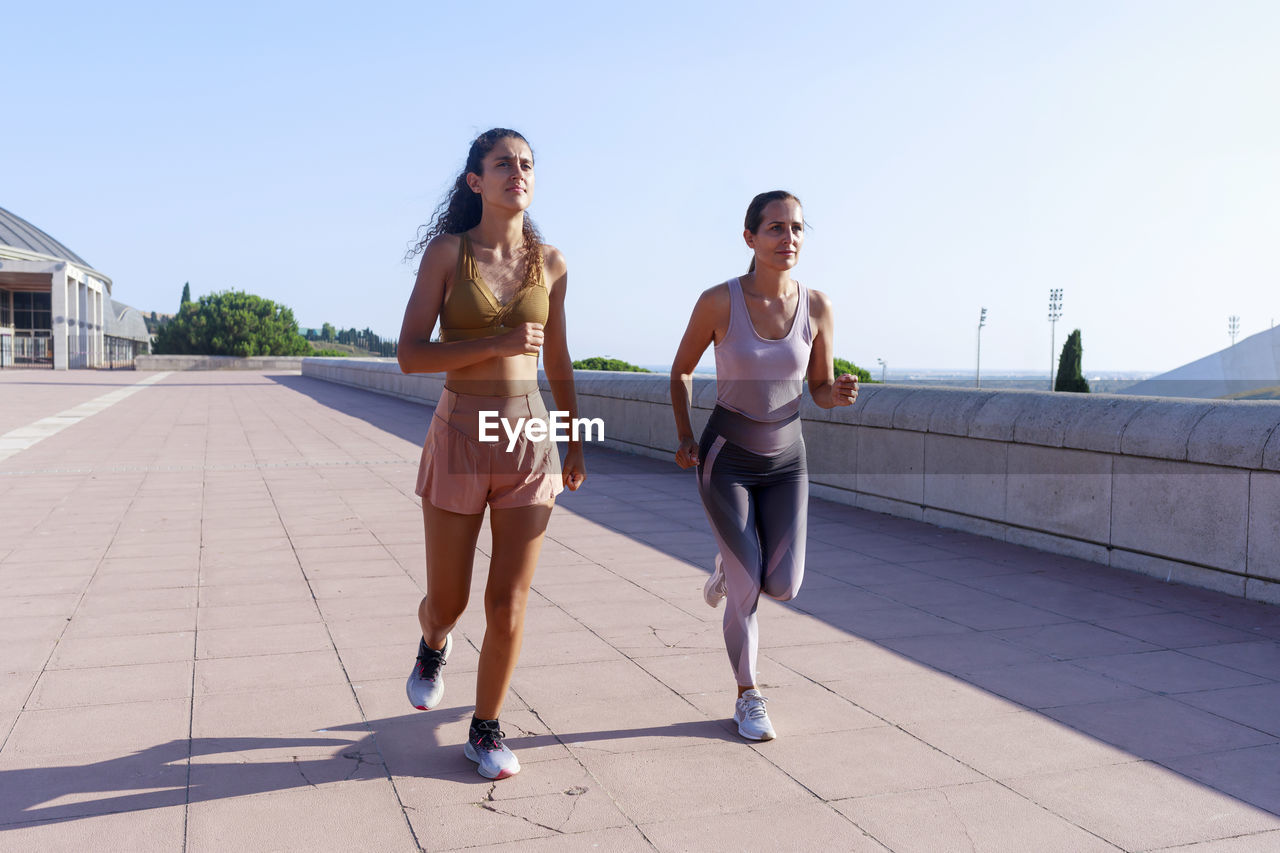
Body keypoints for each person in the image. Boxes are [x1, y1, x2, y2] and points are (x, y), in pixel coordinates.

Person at [398, 128, 586, 779]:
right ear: (476, 180)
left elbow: (556, 359)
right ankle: (433, 642)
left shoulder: (553, 262)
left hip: (527, 440)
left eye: (527, 163)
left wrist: (572, 436)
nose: (518, 172)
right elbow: (410, 354)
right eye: (503, 162)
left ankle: (484, 728)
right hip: (459, 436)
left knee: (508, 600)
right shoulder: (448, 254)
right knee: (448, 599)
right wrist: (497, 345)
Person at [669, 190, 857, 741]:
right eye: (775, 228)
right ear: (749, 238)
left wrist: (836, 393)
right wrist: (683, 436)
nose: (788, 239)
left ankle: (733, 564)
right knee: (751, 588)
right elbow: (680, 371)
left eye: (797, 228)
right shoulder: (718, 302)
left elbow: (818, 389)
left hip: (787, 462)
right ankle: (748, 694)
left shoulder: (817, 306)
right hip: (726, 457)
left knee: (785, 585)